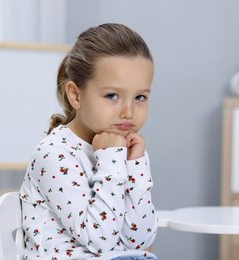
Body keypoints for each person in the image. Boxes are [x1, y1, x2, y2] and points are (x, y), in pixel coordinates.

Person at [20, 23, 158, 260]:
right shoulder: (54, 154)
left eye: (140, 97)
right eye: (112, 96)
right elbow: (100, 242)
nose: (129, 111)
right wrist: (112, 160)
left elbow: (139, 240)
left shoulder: (120, 149)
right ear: (76, 95)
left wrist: (136, 166)